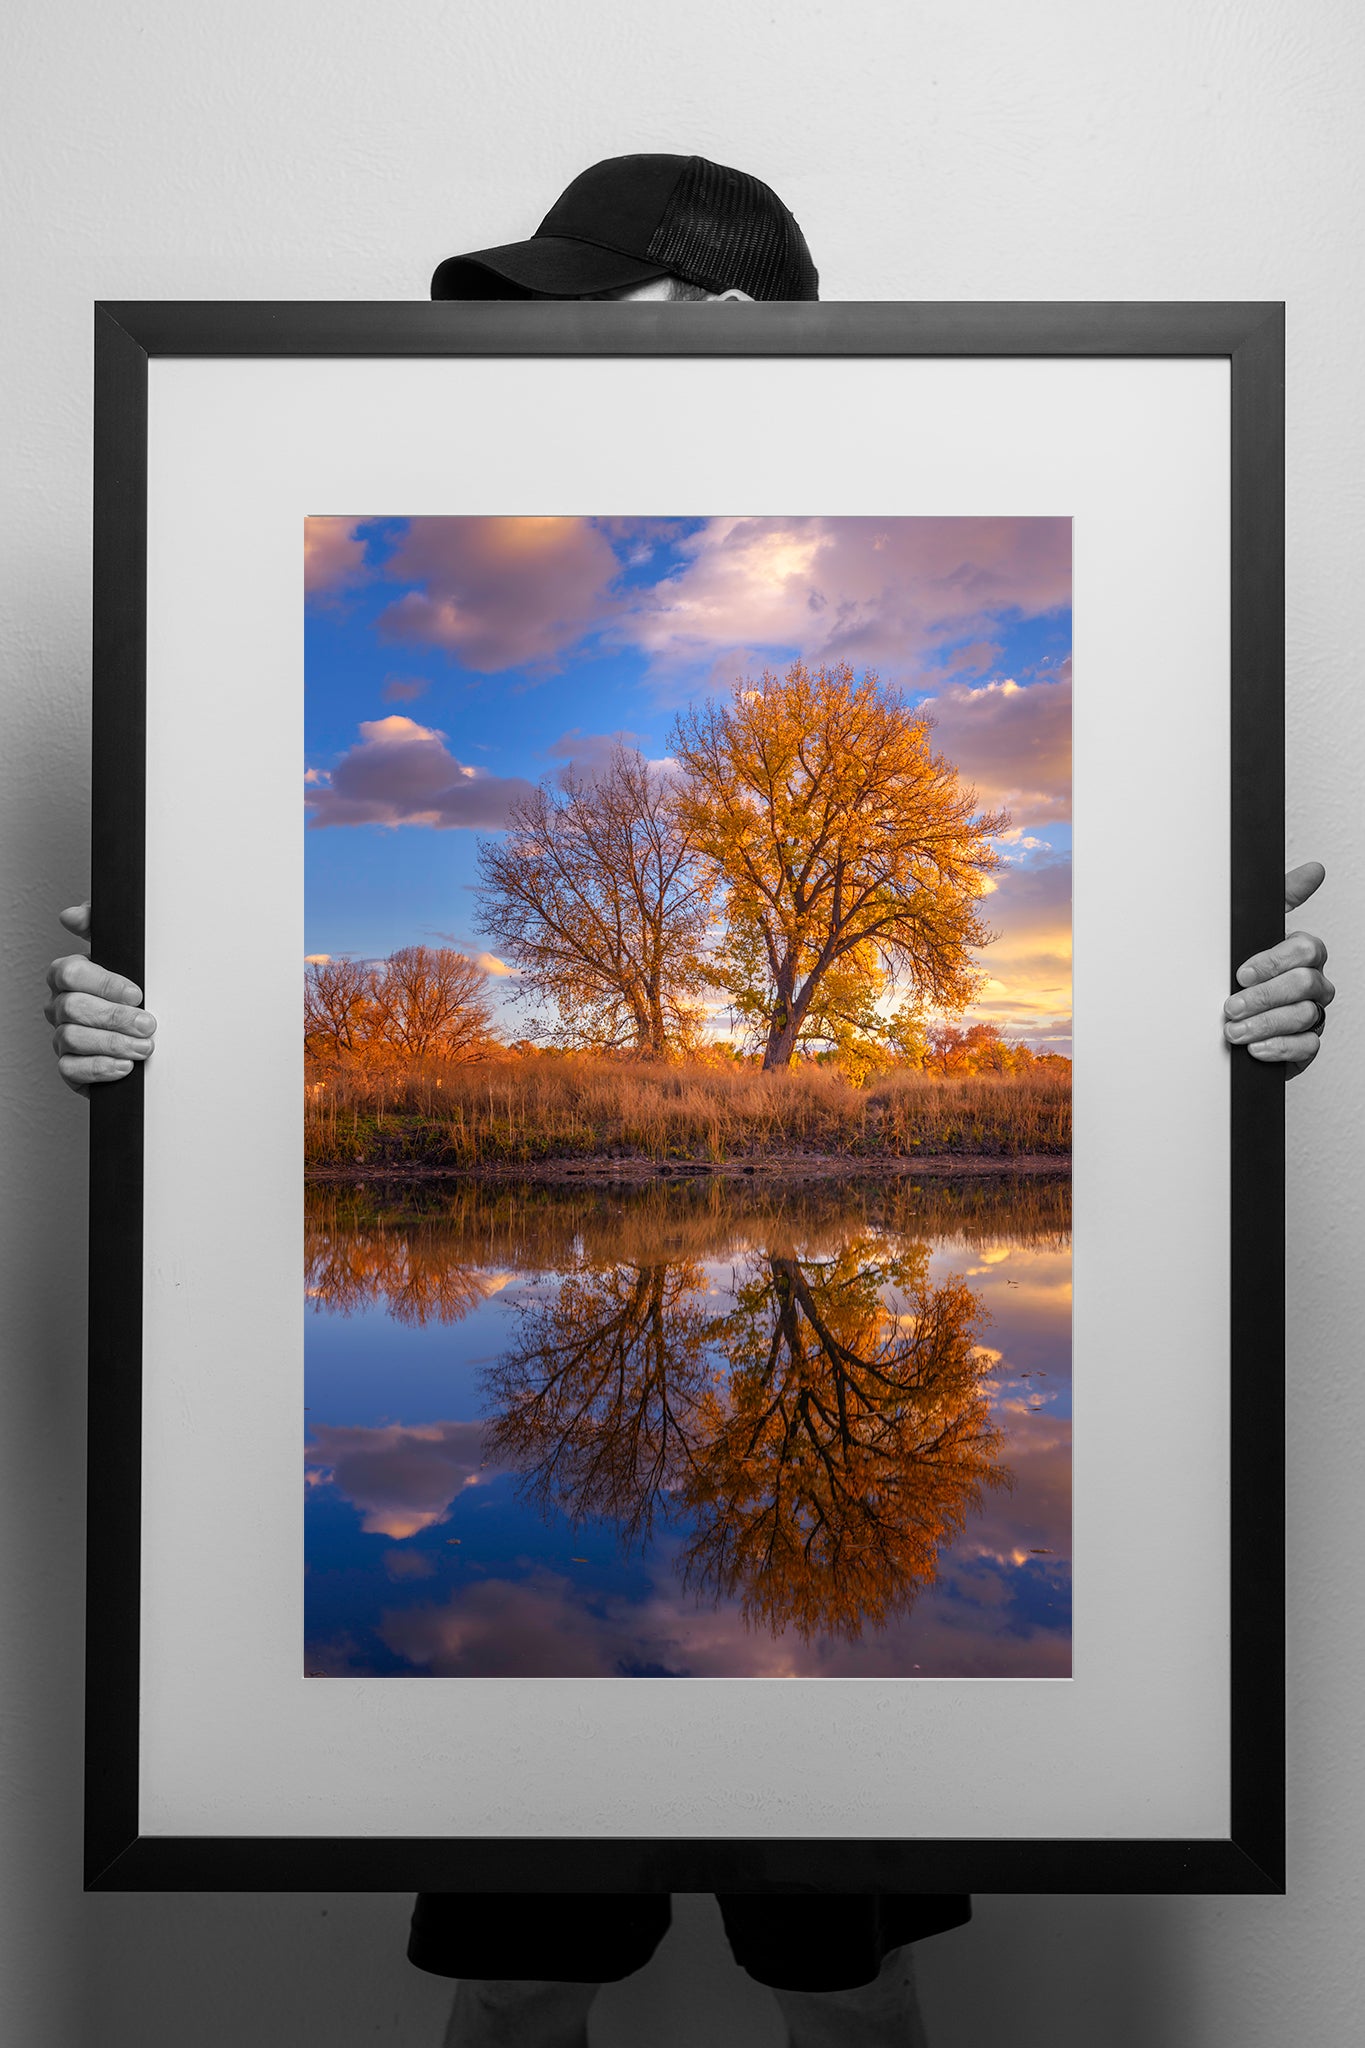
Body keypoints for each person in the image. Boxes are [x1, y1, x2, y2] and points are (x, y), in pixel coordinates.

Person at [42, 155, 1336, 2048]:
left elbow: (1087, 1065)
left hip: (841, 1628)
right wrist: (157, 1041)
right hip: (550, 1688)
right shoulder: (437, 549)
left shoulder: (935, 571)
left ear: (736, 327)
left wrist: (1227, 1029)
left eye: (585, 300)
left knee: (846, 1974)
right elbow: (262, 1064)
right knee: (520, 1969)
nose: (530, 349)